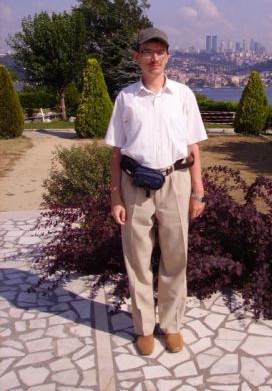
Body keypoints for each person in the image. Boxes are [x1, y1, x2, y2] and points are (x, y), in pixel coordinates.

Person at [105, 27, 208, 356]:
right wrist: (115, 196)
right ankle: (144, 327)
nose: (154, 58)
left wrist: (198, 190)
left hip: (175, 182)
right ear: (137, 56)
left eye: (160, 51)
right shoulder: (126, 98)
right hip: (134, 184)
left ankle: (172, 324)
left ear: (168, 56)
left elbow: (192, 146)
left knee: (176, 258)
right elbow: (117, 151)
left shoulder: (183, 95)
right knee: (137, 260)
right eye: (147, 51)